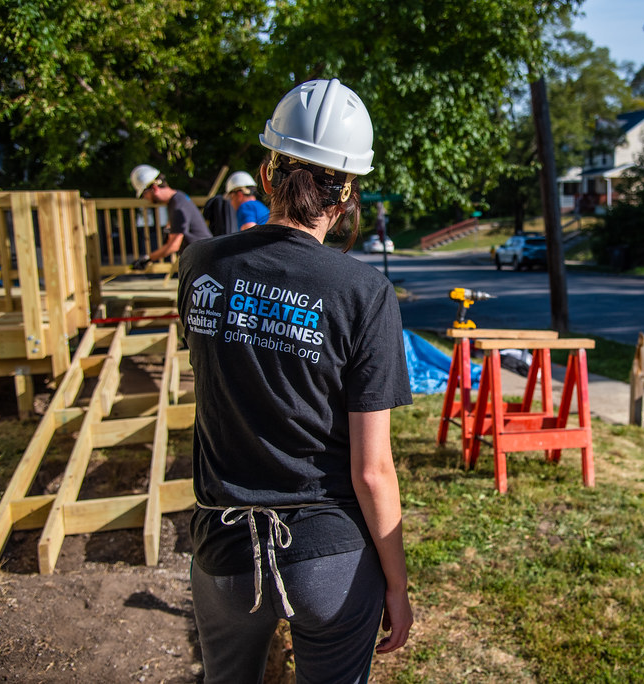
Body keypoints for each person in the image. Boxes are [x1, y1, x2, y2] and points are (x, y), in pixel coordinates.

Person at [177, 78, 413, 683]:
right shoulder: (365, 293)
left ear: (266, 174)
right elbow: (372, 470)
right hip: (328, 558)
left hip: (223, 548)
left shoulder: (202, 265)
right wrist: (397, 585)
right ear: (347, 193)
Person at [129, 164, 213, 268]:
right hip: (199, 258)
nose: (145, 199)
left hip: (202, 260)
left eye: (144, 194)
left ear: (154, 188)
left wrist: (148, 259)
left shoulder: (178, 205)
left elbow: (173, 245)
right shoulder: (177, 198)